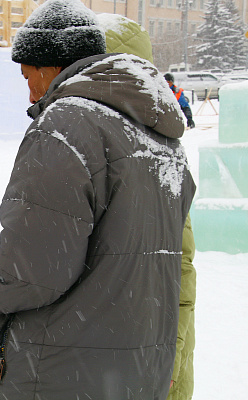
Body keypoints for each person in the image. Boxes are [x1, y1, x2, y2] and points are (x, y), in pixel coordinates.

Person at [0, 0, 195, 398]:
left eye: (28, 76)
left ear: (51, 65)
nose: (30, 92)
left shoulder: (67, 124)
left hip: (65, 372)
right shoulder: (160, 135)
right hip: (136, 371)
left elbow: (32, 270)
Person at [98, 14, 198, 400]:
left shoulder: (153, 149)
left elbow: (179, 269)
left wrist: (168, 358)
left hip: (151, 366)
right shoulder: (105, 139)